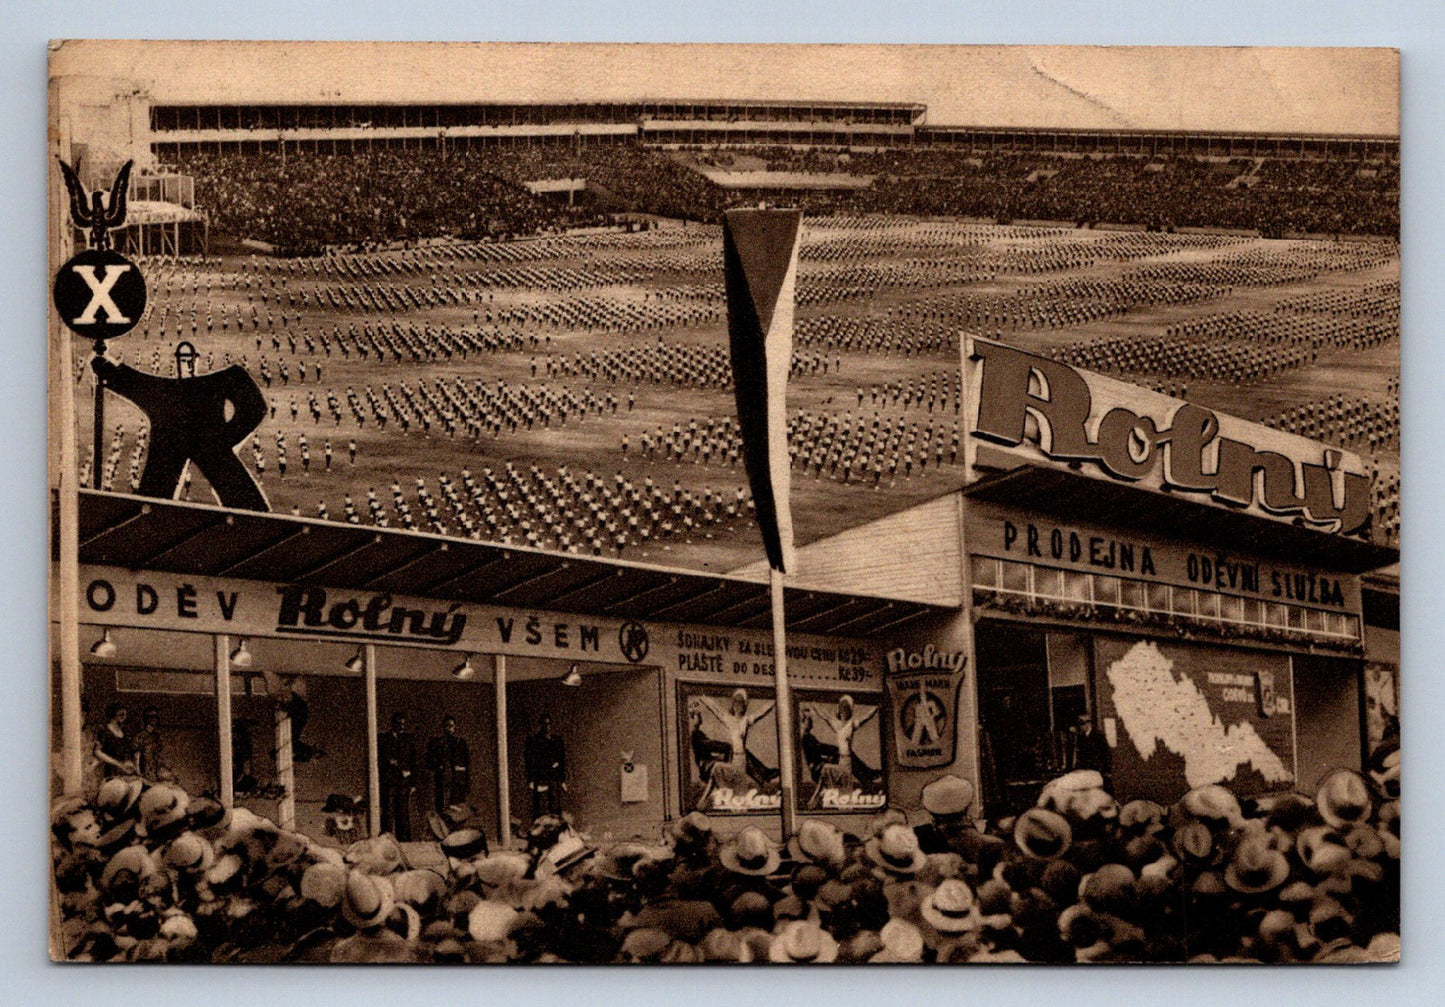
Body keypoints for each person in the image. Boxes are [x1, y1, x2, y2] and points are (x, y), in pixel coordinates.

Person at [379, 712, 418, 840]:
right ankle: (387, 840)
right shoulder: (384, 739)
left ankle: (405, 841)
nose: (402, 727)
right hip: (389, 781)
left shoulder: (408, 740)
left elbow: (413, 761)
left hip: (403, 782)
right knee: (388, 812)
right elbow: (380, 760)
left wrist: (413, 783)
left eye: (403, 724)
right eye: (399, 724)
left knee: (403, 813)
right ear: (393, 724)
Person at [425, 714, 471, 815]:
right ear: (443, 727)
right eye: (447, 726)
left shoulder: (461, 743)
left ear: (455, 727)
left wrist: (466, 782)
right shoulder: (437, 743)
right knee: (441, 809)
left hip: (457, 782)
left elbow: (467, 764)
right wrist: (438, 767)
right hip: (442, 782)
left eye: (451, 726)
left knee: (457, 810)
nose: (449, 729)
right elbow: (429, 762)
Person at [524, 714, 567, 820]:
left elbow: (561, 759)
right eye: (544, 724)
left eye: (548, 724)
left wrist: (562, 779)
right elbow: (530, 760)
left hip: (553, 777)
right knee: (539, 806)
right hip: (540, 777)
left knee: (555, 805)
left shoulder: (556, 740)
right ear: (540, 725)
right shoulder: (534, 740)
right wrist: (531, 779)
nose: (547, 727)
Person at [94, 702, 135, 778]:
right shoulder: (105, 731)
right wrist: (117, 764)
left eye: (125, 715)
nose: (124, 717)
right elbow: (97, 751)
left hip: (125, 770)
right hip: (111, 770)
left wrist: (128, 762)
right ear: (113, 714)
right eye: (121, 715)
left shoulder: (124, 732)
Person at [135, 706, 169, 782]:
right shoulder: (141, 736)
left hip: (156, 769)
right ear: (146, 719)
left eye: (155, 717)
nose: (153, 719)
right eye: (150, 717)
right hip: (145, 770)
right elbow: (137, 755)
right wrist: (139, 773)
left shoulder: (157, 736)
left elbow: (159, 753)